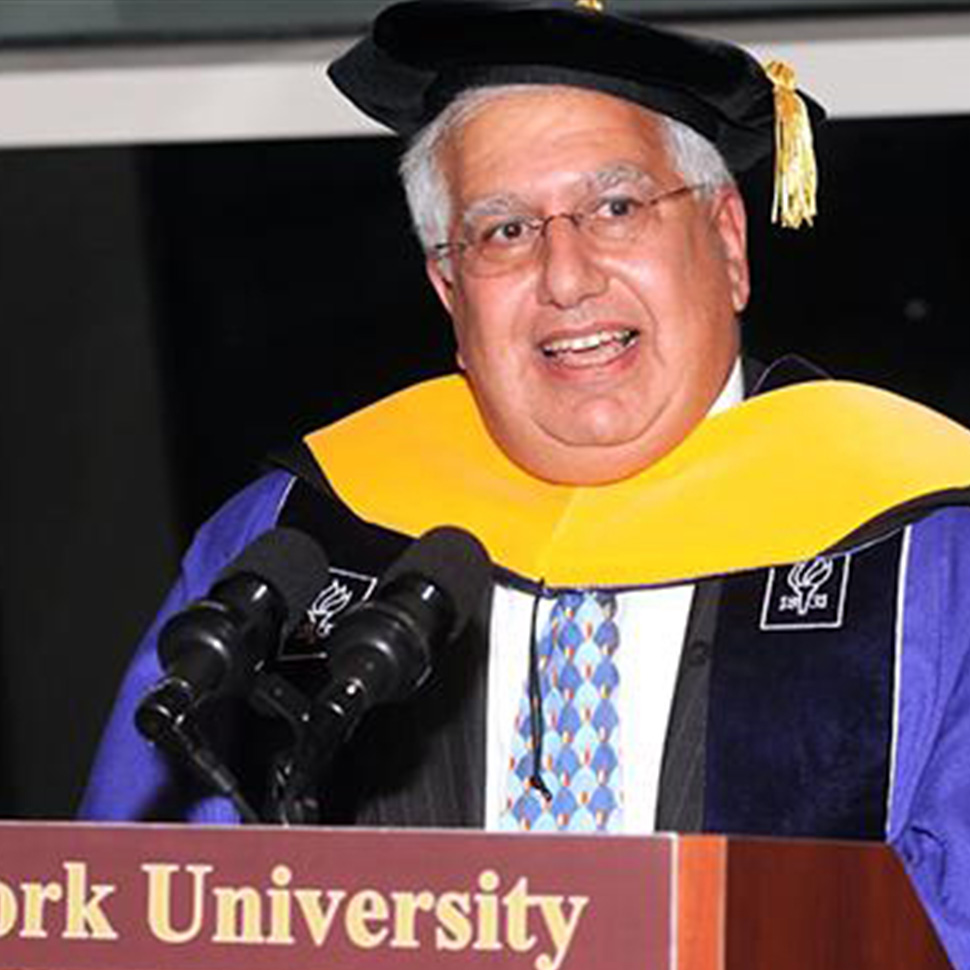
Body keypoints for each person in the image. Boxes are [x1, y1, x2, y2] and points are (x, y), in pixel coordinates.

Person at [80, 1, 970, 965]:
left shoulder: (927, 546)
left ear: (726, 242)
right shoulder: (299, 540)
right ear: (448, 289)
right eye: (504, 230)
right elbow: (139, 913)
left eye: (617, 208)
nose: (566, 277)